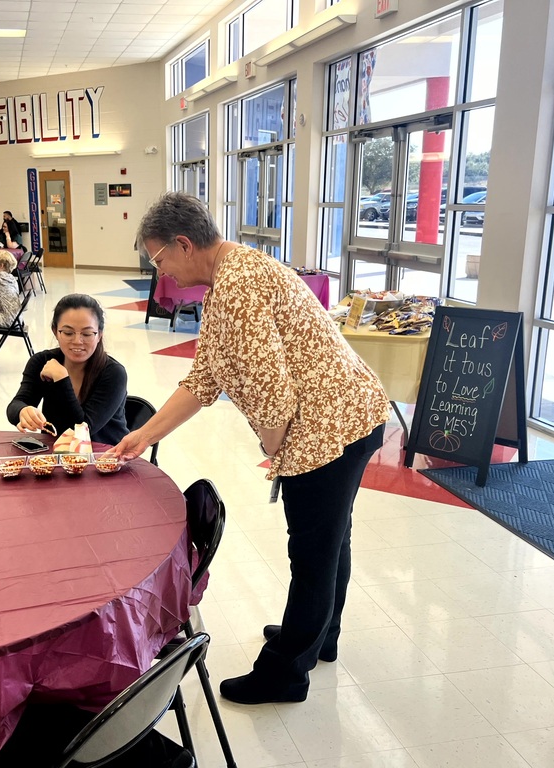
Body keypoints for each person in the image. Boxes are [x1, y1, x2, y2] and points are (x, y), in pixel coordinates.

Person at [110, 193, 390, 706]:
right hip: (352, 414)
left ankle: (288, 673)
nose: (162, 273)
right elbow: (205, 378)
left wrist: (275, 448)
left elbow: (274, 399)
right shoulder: (234, 273)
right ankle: (320, 636)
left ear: (184, 243)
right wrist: (145, 435)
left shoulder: (236, 288)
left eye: (159, 259)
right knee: (332, 541)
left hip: (329, 428)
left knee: (312, 554)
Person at [7, 294, 128, 446]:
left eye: (87, 333)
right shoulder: (42, 362)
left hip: (105, 459)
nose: (77, 341)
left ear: (99, 335)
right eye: (68, 333)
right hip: (57, 456)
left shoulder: (114, 373)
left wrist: (62, 379)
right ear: (55, 332)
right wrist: (22, 411)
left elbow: (81, 430)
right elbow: (15, 405)